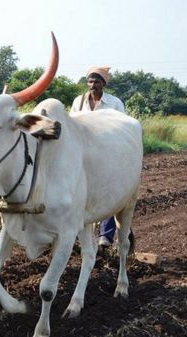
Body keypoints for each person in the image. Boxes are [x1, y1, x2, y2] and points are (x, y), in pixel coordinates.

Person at [71, 66, 130, 247]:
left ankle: (105, 235)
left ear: (103, 83)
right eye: (90, 81)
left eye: (97, 81)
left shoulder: (114, 103)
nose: (92, 84)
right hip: (84, 156)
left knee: (109, 193)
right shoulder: (78, 102)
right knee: (80, 193)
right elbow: (72, 125)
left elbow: (123, 129)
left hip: (108, 154)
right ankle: (75, 233)